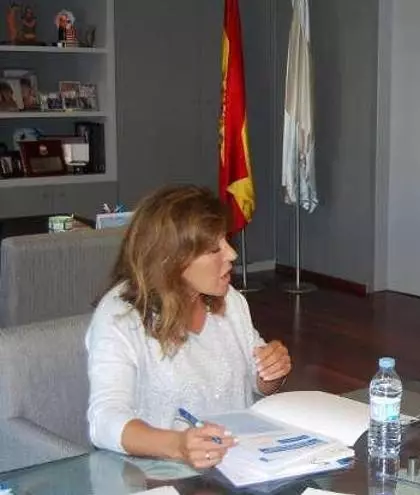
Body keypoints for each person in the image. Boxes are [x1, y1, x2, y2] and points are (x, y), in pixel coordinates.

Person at [86, 185, 293, 469]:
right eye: (214, 249)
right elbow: (104, 422)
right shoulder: (120, 318)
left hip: (239, 463)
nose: (232, 254)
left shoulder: (230, 300)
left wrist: (272, 370)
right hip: (157, 474)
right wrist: (178, 446)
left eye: (226, 240)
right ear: (172, 259)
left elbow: (259, 385)